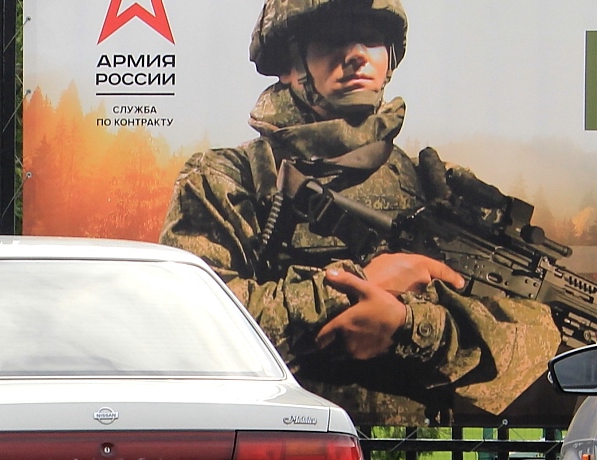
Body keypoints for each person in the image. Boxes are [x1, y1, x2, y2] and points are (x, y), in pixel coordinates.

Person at [160, 0, 560, 425]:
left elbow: (530, 330)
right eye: (333, 37)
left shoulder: (433, 188)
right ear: (288, 64)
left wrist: (409, 325)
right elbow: (189, 324)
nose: (355, 53)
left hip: (423, 459)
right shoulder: (229, 178)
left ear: (389, 57)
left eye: (371, 36)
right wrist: (355, 286)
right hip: (282, 452)